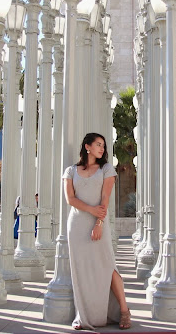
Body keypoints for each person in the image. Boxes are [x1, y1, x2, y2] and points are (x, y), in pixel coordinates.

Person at [63, 132, 131, 330]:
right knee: (80, 270)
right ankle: (82, 315)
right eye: (98, 144)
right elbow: (70, 200)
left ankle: (125, 311)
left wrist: (98, 222)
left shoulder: (107, 169)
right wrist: (91, 210)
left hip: (99, 223)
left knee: (108, 266)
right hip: (76, 225)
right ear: (87, 146)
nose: (102, 148)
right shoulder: (70, 171)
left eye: (103, 145)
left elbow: (105, 199)